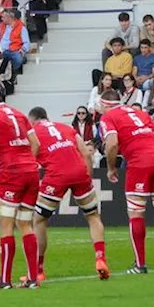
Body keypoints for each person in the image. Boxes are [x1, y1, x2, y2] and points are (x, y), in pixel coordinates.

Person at [101, 103, 154, 274]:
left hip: (140, 163)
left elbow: (112, 144)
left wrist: (111, 168)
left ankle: (140, 265)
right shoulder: (140, 113)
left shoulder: (108, 116)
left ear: (105, 105)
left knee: (136, 212)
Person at [28, 106, 108, 280]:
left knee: (39, 219)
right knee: (93, 216)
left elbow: (30, 161)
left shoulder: (32, 132)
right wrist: (88, 178)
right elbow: (86, 153)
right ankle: (100, 258)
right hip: (79, 171)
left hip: (56, 174)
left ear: (32, 121)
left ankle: (38, 270)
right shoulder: (66, 127)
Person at [0, 101, 42, 288]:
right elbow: (36, 144)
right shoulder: (19, 113)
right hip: (31, 173)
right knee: (25, 224)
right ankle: (32, 279)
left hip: (12, 173)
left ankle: (5, 280)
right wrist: (28, 164)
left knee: (6, 226)